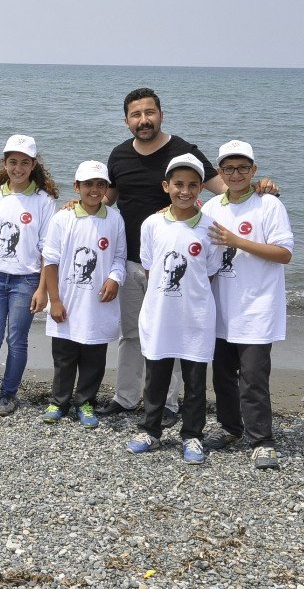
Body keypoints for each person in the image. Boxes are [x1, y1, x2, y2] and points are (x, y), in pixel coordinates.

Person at [97, 87, 278, 427]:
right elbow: (107, 199)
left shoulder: (183, 151)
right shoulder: (119, 156)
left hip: (177, 262)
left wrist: (259, 190)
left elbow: (225, 188)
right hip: (133, 261)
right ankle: (125, 397)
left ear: (161, 115)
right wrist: (77, 205)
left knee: (173, 332)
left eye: (149, 113)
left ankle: (167, 403)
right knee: (132, 334)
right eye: (136, 115)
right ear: (126, 121)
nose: (143, 120)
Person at [126, 154, 224, 465]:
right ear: (166, 186)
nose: (185, 191)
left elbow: (208, 272)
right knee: (156, 376)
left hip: (195, 315)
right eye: (178, 184)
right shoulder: (153, 223)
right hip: (160, 314)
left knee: (195, 380)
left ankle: (192, 435)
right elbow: (151, 268)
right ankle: (150, 430)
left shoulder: (210, 228)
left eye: (193, 185)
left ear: (201, 189)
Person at [202, 140, 293, 470]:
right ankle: (230, 429)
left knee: (253, 377)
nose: (236, 173)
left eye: (243, 167)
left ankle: (262, 440)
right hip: (221, 309)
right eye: (229, 168)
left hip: (257, 308)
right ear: (220, 172)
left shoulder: (268, 205)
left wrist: (238, 241)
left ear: (254, 170)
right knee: (223, 376)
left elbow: (284, 253)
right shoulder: (212, 208)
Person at [0, 135, 58, 416]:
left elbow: (47, 252)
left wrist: (43, 290)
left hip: (26, 280)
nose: (18, 168)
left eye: (24, 163)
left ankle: (8, 394)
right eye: (12, 162)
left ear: (33, 165)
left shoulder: (44, 201)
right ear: (4, 164)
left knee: (16, 340)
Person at [41, 161, 126, 428]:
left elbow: (120, 257)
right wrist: (54, 300)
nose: (94, 189)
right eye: (87, 184)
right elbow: (50, 261)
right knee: (64, 356)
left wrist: (114, 278)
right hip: (67, 300)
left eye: (100, 184)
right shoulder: (62, 218)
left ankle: (85, 401)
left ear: (106, 188)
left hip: (99, 303)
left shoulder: (114, 218)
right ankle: (59, 400)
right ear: (77, 187)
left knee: (94, 357)